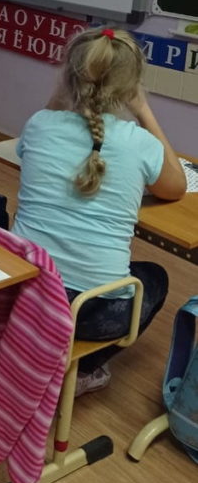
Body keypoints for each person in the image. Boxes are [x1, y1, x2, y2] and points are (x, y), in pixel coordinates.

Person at [13, 26, 186, 395]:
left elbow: (40, 136)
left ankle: (33, 347)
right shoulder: (139, 143)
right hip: (92, 314)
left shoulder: (39, 124)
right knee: (155, 277)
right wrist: (144, 110)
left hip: (22, 293)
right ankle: (84, 371)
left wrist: (62, 92)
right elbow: (175, 188)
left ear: (68, 76)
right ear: (131, 85)